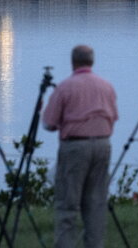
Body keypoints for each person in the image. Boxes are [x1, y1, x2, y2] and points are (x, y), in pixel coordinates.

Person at [42, 44, 118, 248]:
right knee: (96, 204)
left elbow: (49, 123)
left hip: (75, 146)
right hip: (103, 145)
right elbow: (114, 117)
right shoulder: (106, 86)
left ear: (72, 62)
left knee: (68, 204)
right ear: (92, 61)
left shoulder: (65, 87)